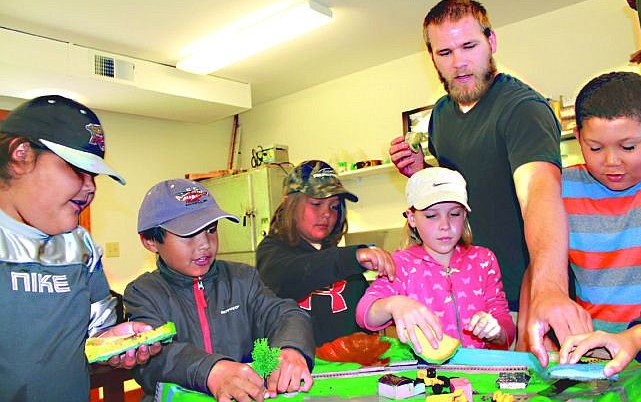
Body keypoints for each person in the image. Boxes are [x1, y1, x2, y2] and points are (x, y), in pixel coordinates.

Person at [388, 0, 591, 352]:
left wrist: (548, 288)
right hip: (467, 305)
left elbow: (539, 194)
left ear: (491, 42)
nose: (460, 62)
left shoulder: (522, 109)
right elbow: (459, 193)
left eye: (469, 46)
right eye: (445, 52)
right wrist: (421, 172)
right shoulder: (441, 116)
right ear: (432, 57)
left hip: (522, 302)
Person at [0, 95, 160, 401]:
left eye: (94, 175)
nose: (90, 187)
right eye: (77, 169)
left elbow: (96, 335)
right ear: (20, 154)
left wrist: (112, 344)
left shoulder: (81, 248)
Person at [124, 178, 315, 402]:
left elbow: (285, 314)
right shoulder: (142, 293)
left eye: (211, 230)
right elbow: (154, 358)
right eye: (189, 234)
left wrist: (290, 349)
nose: (205, 244)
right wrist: (211, 371)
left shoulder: (243, 278)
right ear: (150, 241)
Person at [545, 71, 641, 372]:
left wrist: (635, 337)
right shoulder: (561, 188)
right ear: (578, 138)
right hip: (595, 356)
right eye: (595, 147)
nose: (612, 161)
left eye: (628, 147)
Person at [356, 167, 515, 353]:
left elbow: (506, 326)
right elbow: (364, 313)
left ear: (464, 215)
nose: (445, 225)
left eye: (454, 214)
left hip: (479, 373)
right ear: (412, 218)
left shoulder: (483, 259)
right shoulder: (400, 264)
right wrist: (394, 303)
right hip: (427, 376)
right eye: (431, 215)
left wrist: (496, 331)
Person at [256, 160, 396, 346]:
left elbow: (363, 324)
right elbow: (295, 274)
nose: (327, 214)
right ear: (289, 204)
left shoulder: (345, 262)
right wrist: (352, 257)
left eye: (334, 206)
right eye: (316, 204)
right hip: (298, 370)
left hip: (348, 369)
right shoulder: (272, 252)